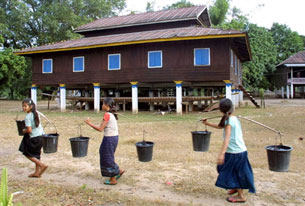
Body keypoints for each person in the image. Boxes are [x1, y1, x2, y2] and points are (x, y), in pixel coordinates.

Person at [202, 98, 255, 203]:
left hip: (235, 153)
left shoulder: (230, 121)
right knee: (225, 169)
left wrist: (221, 155)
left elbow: (227, 139)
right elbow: (220, 126)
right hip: (240, 151)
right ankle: (235, 187)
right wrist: (207, 124)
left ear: (221, 109)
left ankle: (241, 196)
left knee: (233, 173)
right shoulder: (231, 118)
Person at [85, 97, 124, 185]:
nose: (102, 105)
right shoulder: (111, 114)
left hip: (109, 138)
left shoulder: (107, 114)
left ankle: (113, 179)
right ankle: (118, 171)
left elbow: (100, 129)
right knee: (106, 154)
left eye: (103, 104)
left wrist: (89, 123)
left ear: (106, 105)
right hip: (113, 137)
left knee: (107, 157)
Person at [19, 98, 48, 178]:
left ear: (31, 106)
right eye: (23, 106)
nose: (24, 108)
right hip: (41, 136)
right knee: (37, 154)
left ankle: (42, 165)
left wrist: (23, 131)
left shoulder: (28, 117)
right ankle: (37, 172)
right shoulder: (36, 113)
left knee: (27, 154)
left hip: (33, 137)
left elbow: (29, 130)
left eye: (25, 106)